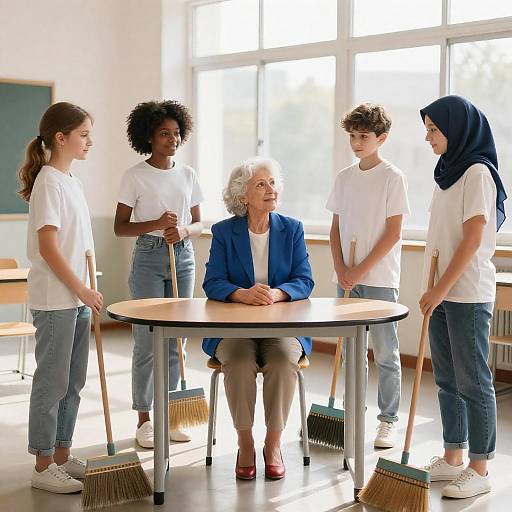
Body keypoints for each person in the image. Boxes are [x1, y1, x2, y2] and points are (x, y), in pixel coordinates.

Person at [202, 157, 314, 480]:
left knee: (282, 360)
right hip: (236, 329)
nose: (270, 189)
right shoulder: (224, 232)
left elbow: (304, 279)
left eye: (273, 183)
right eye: (261, 184)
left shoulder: (292, 229)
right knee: (237, 361)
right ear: (243, 196)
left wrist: (277, 294)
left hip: (282, 329)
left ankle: (273, 444)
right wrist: (242, 294)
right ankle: (246, 443)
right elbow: (213, 282)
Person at [420, 95, 506, 499]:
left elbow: (472, 240)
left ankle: (480, 466)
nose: (428, 137)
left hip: (467, 292)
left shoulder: (477, 173)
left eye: (434, 129)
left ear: (457, 129)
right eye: (428, 129)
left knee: (473, 379)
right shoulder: (446, 172)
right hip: (440, 292)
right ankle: (453, 456)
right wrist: (433, 288)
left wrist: (440, 288)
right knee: (447, 378)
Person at [20, 102, 102, 493]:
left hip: (77, 298)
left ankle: (63, 456)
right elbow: (50, 248)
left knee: (74, 381)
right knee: (52, 383)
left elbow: (77, 245)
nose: (90, 142)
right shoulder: (49, 181)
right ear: (61, 137)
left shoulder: (72, 181)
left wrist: (87, 287)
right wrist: (81, 288)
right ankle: (41, 464)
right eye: (84, 135)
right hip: (56, 300)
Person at [114, 100, 204, 447]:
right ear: (148, 137)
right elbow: (121, 228)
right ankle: (145, 420)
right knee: (147, 341)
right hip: (149, 257)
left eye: (177, 133)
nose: (172, 140)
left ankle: (171, 415)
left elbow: (199, 223)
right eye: (164, 134)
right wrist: (156, 224)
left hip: (182, 256)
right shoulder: (134, 175)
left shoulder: (188, 174)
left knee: (177, 341)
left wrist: (183, 231)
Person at [326, 103, 410, 448]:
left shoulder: (393, 177)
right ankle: (351, 413)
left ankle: (387, 421)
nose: (357, 142)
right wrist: (342, 270)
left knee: (386, 352)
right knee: (350, 353)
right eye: (353, 136)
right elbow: (335, 229)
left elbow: (393, 233)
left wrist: (358, 269)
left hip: (380, 279)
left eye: (364, 136)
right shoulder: (343, 178)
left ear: (381, 138)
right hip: (346, 278)